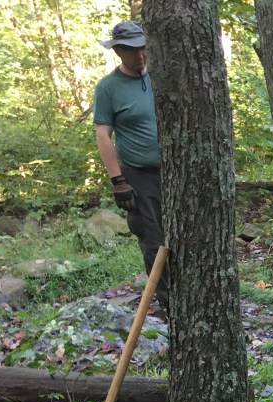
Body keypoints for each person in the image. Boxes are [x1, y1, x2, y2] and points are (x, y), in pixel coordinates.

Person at [93, 21, 168, 315]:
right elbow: (103, 134)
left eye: (143, 48)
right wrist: (118, 180)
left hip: (175, 172)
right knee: (153, 238)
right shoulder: (108, 88)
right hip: (139, 174)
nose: (140, 55)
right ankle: (168, 302)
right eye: (132, 50)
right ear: (118, 51)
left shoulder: (163, 76)